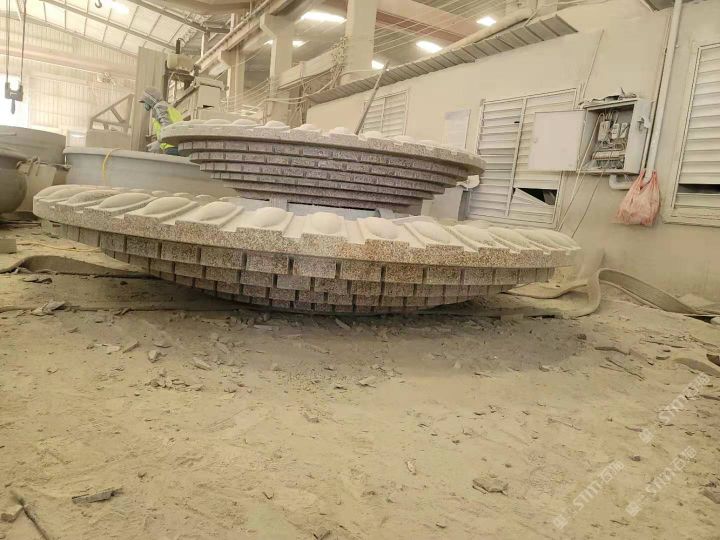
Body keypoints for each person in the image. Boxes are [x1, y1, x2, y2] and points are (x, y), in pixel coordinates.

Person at [139, 87, 183, 155]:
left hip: (171, 147)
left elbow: (167, 128)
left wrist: (158, 142)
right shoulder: (169, 108)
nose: (144, 105)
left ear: (150, 100)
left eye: (144, 102)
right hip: (179, 146)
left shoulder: (159, 107)